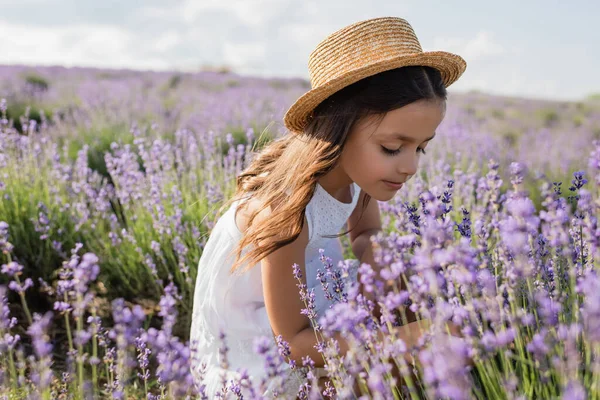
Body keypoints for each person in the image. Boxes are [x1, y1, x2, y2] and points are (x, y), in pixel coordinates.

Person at [190, 16, 467, 398]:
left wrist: (376, 255)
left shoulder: (359, 180)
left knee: (418, 320)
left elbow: (366, 232)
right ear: (338, 129)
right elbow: (293, 345)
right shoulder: (286, 212)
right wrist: (404, 336)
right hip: (266, 349)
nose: (410, 166)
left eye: (420, 147)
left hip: (314, 304)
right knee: (411, 351)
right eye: (392, 148)